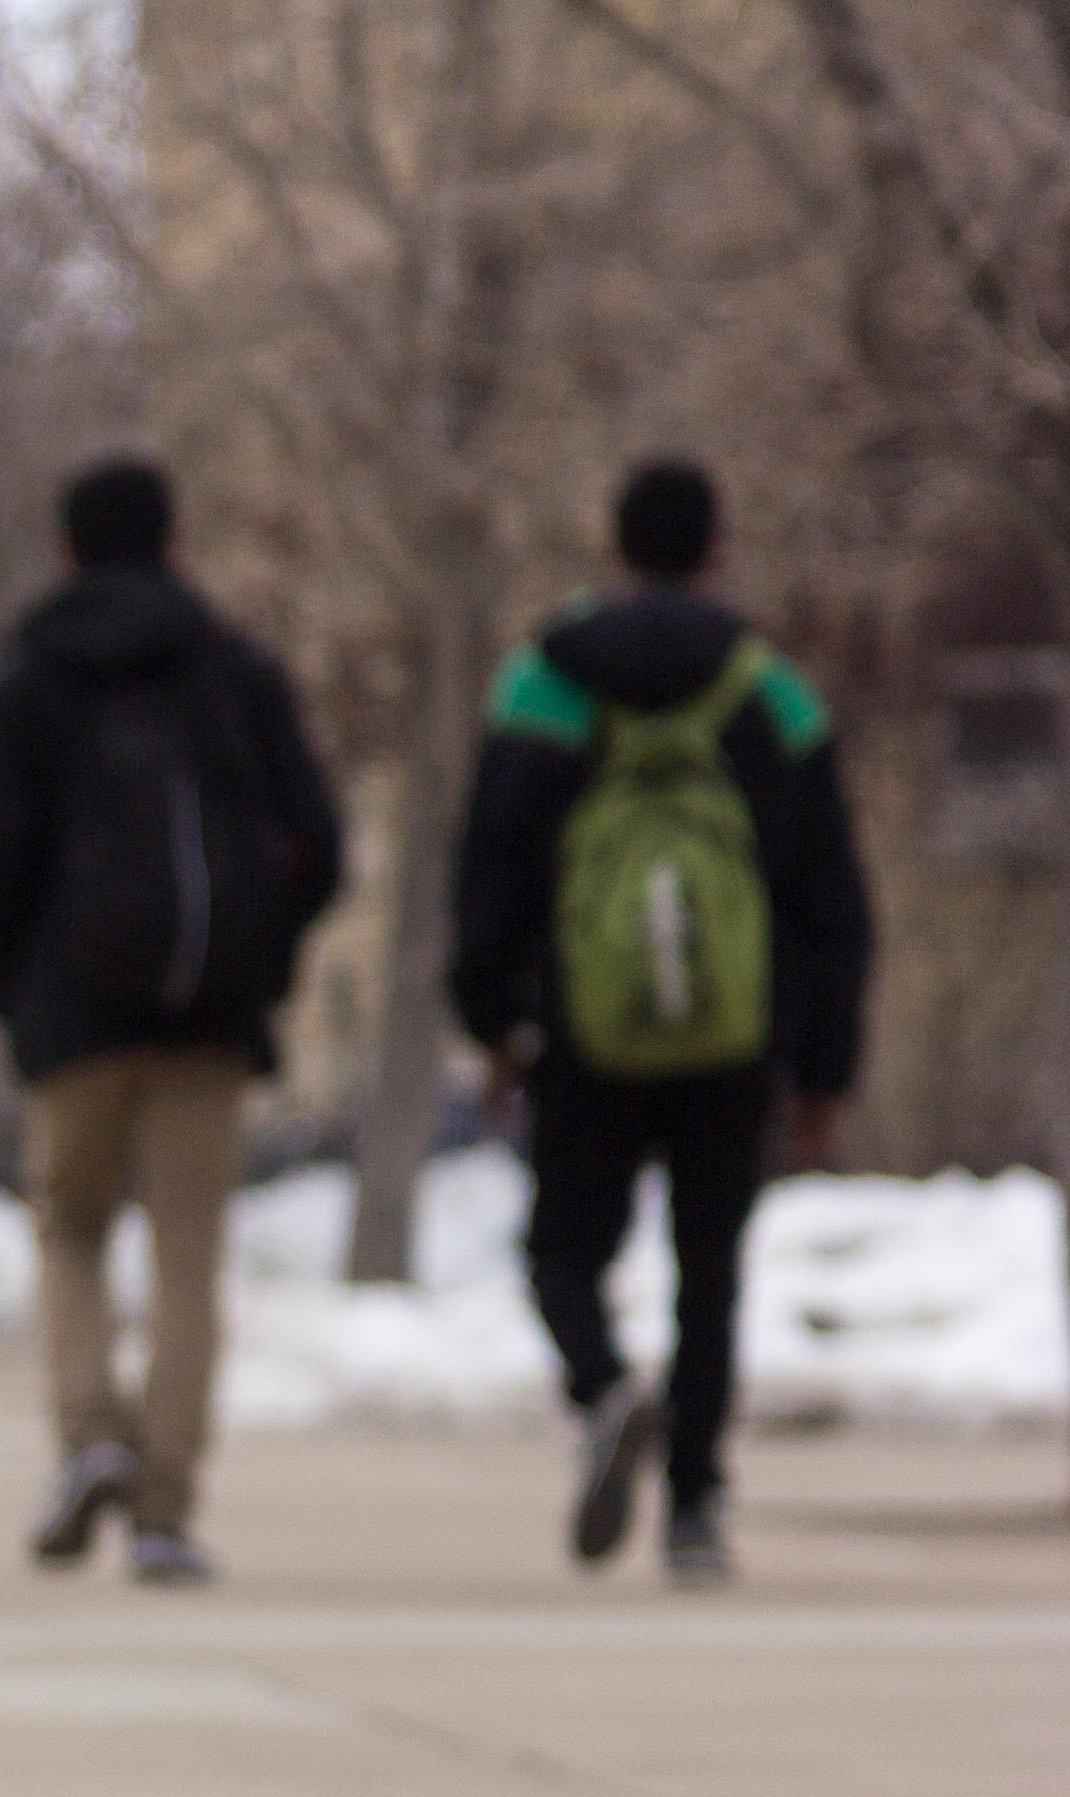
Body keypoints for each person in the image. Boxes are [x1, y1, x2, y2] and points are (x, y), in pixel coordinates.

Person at [445, 458, 875, 1586]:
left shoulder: (545, 685)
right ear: (715, 548)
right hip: (738, 1031)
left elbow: (491, 863)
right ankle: (693, 1503)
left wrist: (493, 1019)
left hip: (586, 1025)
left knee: (561, 1247)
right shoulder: (770, 693)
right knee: (710, 1261)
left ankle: (601, 1386)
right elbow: (831, 893)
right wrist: (826, 1065)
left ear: (617, 545)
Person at [0, 456, 343, 1589]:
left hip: (73, 1015)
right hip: (209, 1014)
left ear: (66, 550)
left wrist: (15, 989)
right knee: (189, 1256)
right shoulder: (235, 673)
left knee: (69, 1227)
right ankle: (167, 1503)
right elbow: (318, 842)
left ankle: (90, 1437)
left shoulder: (30, 682)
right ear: (177, 544)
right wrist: (260, 957)